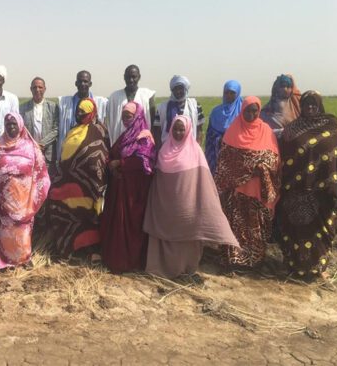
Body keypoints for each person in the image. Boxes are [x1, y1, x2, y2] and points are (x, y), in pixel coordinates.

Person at [144, 116, 240, 279]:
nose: (178, 132)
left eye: (182, 129)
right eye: (175, 129)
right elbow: (157, 181)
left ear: (188, 130)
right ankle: (162, 268)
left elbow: (203, 182)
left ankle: (185, 268)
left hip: (187, 207)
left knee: (187, 237)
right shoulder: (164, 151)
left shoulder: (196, 152)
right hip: (166, 206)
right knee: (164, 234)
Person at [277, 91, 337, 279]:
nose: (310, 107)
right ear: (301, 106)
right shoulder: (292, 130)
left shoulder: (333, 125)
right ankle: (295, 266)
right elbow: (283, 156)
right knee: (297, 231)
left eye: (314, 104)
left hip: (324, 192)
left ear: (319, 105)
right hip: (297, 191)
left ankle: (320, 267)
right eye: (306, 104)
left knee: (320, 231)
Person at [214, 96, 280, 269]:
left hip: (258, 189)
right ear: (242, 111)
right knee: (236, 224)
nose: (251, 114)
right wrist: (250, 166)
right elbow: (225, 161)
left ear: (259, 111)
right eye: (247, 111)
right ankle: (235, 258)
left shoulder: (266, 131)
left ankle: (255, 259)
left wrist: (262, 166)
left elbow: (274, 159)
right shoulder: (233, 131)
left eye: (254, 111)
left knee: (255, 225)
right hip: (237, 189)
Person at [0, 112, 51, 269]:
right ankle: (5, 258)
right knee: (5, 229)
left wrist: (36, 192)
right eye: (8, 124)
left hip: (24, 200)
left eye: (14, 124)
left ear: (20, 126)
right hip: (2, 199)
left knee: (22, 229)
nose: (11, 127)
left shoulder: (31, 147)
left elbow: (41, 172)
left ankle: (23, 258)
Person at [42, 98, 110, 263]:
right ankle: (69, 249)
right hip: (69, 183)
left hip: (90, 184)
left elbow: (103, 154)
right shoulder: (72, 130)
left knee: (89, 217)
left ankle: (91, 251)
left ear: (91, 113)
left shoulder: (100, 130)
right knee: (65, 213)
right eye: (78, 111)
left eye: (83, 112)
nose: (79, 114)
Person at [99, 101, 157, 273]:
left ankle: (131, 261)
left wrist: (121, 163)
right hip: (119, 188)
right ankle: (116, 260)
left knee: (132, 225)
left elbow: (144, 162)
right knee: (118, 224)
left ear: (137, 116)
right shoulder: (125, 135)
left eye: (129, 116)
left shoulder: (144, 137)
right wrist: (111, 165)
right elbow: (112, 152)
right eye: (123, 116)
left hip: (134, 191)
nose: (125, 119)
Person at [56, 70, 108, 158]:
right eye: (80, 81)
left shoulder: (101, 103)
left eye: (85, 81)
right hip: (69, 151)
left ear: (90, 84)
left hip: (90, 152)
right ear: (76, 83)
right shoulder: (64, 103)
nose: (82, 84)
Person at [105, 64, 156, 146]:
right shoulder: (114, 97)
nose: (131, 80)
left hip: (141, 144)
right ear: (124, 77)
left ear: (139, 77)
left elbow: (152, 122)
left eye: (134, 77)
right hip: (119, 141)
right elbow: (109, 122)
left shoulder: (147, 96)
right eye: (128, 77)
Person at [20, 77, 59, 176]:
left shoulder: (53, 107)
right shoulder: (23, 108)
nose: (37, 90)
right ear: (31, 89)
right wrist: (33, 145)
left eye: (40, 87)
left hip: (48, 154)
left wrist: (42, 144)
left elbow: (56, 129)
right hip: (29, 153)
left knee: (49, 182)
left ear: (45, 89)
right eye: (34, 87)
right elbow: (21, 129)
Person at [204, 80, 243, 174]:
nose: (229, 95)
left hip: (237, 155)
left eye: (232, 93)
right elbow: (209, 135)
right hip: (216, 154)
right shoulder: (216, 112)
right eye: (226, 92)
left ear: (238, 93)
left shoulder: (243, 111)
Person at [155, 75, 205, 145]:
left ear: (186, 89)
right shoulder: (162, 107)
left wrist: (197, 147)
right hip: (167, 148)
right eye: (175, 89)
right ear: (172, 90)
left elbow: (199, 129)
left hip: (190, 147)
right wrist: (160, 149)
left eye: (181, 88)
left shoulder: (195, 105)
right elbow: (157, 131)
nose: (178, 92)